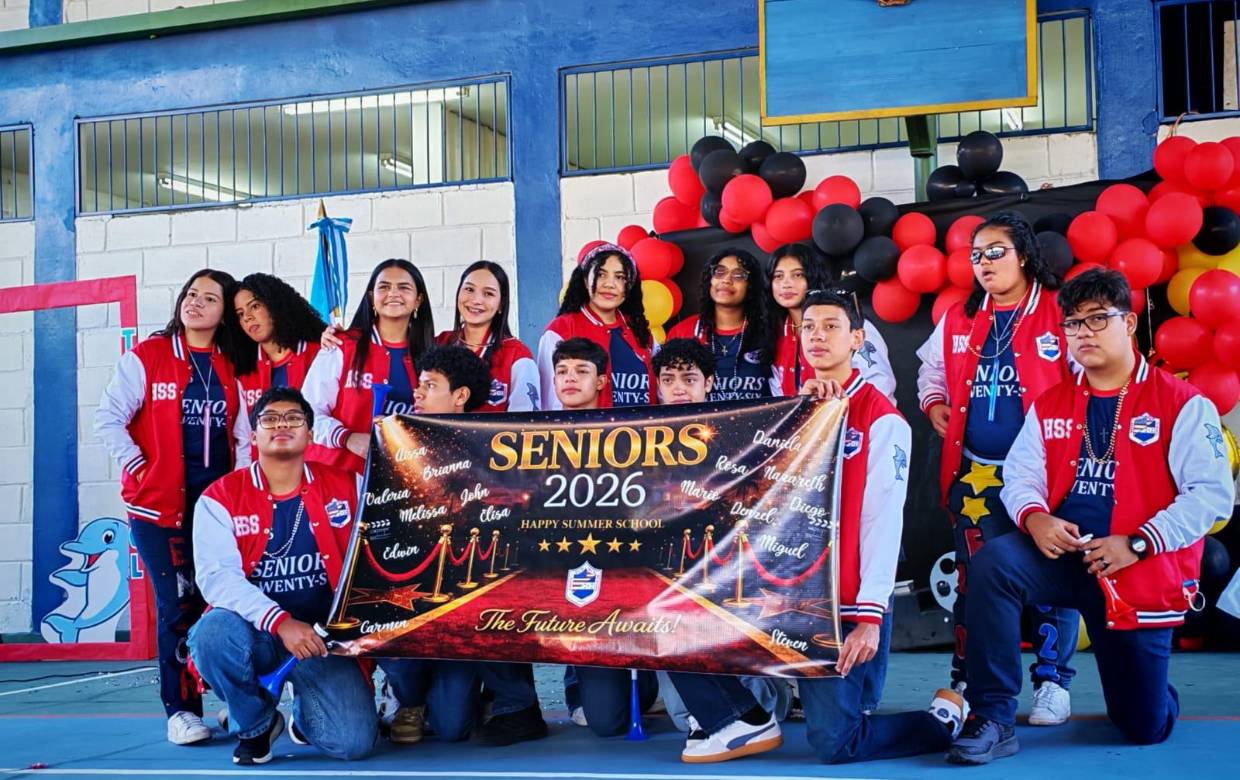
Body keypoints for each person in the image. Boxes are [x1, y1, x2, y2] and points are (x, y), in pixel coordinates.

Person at [948, 269, 1235, 764]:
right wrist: (1035, 518)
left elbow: (1210, 495)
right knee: (994, 561)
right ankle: (992, 715)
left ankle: (1147, 682)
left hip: (1132, 569)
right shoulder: (1052, 402)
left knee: (1142, 727)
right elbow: (1020, 477)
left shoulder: (1183, 403)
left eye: (1098, 319)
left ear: (1129, 323)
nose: (1084, 333)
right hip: (1063, 559)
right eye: (1073, 324)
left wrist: (1138, 542)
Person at [670, 289, 966, 764]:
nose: (817, 336)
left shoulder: (883, 420)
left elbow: (882, 524)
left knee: (834, 741)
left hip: (840, 606)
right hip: (775, 595)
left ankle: (941, 721)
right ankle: (741, 720)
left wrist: (869, 619)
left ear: (856, 339)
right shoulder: (787, 411)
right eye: (808, 327)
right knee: (671, 617)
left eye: (831, 326)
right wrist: (799, 417)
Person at [915, 212, 1078, 723]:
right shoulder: (960, 315)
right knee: (974, 580)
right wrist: (934, 399)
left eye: (995, 252)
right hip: (975, 474)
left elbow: (1091, 376)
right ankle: (969, 680)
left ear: (1024, 255)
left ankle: (1052, 682)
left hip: (1049, 476)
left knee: (1054, 576)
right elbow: (930, 367)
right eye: (976, 255)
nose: (983, 263)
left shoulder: (1059, 311)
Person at [94, 269, 252, 745]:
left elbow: (243, 438)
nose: (196, 303)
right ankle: (181, 711)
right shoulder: (149, 355)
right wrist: (141, 467)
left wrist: (244, 490)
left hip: (217, 512)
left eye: (209, 298)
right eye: (190, 294)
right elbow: (108, 419)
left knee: (223, 606)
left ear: (225, 313)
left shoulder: (233, 365)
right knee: (177, 607)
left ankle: (234, 704)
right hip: (159, 512)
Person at [188, 387, 377, 765]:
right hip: (254, 634)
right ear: (253, 434)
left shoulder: (349, 485)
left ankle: (305, 718)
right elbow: (217, 580)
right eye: (270, 419)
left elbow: (372, 558)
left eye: (294, 418)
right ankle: (257, 725)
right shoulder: (219, 498)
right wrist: (281, 622)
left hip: (320, 641)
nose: (282, 425)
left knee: (353, 745)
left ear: (309, 433)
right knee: (212, 635)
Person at [376, 345, 550, 747]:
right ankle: (405, 698)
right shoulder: (393, 441)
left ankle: (510, 702)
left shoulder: (492, 447)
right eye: (419, 384)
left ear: (460, 397)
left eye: (430, 385)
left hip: (465, 591)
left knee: (453, 728)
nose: (417, 393)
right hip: (412, 586)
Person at [651, 338, 792, 749]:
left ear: (709, 383)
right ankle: (734, 709)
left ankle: (766, 701)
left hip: (727, 574)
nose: (679, 387)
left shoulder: (739, 430)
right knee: (684, 720)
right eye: (669, 379)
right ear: (657, 385)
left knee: (761, 704)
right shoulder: (640, 436)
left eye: (689, 379)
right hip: (669, 575)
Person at [548, 337, 660, 735]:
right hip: (558, 577)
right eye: (562, 371)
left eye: (581, 371)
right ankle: (583, 679)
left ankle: (645, 676)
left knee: (614, 716)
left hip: (619, 577)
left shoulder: (626, 436)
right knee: (604, 723)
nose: (569, 379)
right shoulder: (532, 435)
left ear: (601, 381)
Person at [302, 259, 434, 473]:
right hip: (333, 479)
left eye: (404, 287)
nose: (393, 293)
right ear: (372, 297)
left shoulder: (430, 354)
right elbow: (305, 412)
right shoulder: (340, 345)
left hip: (400, 482)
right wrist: (347, 437)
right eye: (384, 287)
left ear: (418, 300)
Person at [766, 244, 896, 400]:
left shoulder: (850, 322)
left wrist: (837, 419)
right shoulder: (777, 334)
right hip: (803, 422)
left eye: (798, 275)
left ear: (813, 277)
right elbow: (780, 397)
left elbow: (880, 384)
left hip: (857, 421)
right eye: (778, 276)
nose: (786, 284)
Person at [539, 243, 655, 409]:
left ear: (629, 286)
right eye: (601, 275)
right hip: (585, 434)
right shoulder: (561, 329)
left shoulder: (641, 331)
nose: (610, 284)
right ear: (586, 280)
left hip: (643, 433)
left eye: (620, 277)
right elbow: (550, 403)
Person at [667, 248, 774, 402]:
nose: (726, 280)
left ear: (750, 285)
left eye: (738, 275)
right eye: (719, 272)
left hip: (762, 425)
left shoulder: (768, 331)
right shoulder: (683, 332)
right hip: (701, 425)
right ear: (710, 280)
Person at [436, 260, 540, 412]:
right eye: (469, 289)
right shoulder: (440, 343)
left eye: (488, 293)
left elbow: (525, 425)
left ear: (501, 304)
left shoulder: (517, 355)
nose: (477, 300)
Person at [232, 273, 327, 410]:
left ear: (275, 305)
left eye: (255, 306)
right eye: (240, 314)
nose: (247, 317)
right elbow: (242, 429)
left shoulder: (319, 353)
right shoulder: (244, 370)